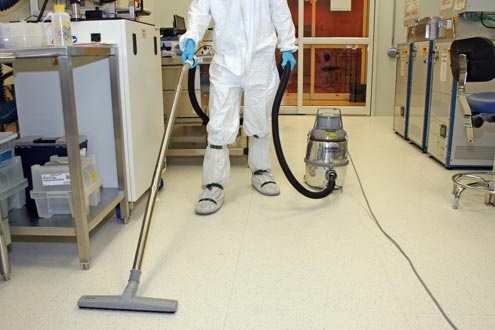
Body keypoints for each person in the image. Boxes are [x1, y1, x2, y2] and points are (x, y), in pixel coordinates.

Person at [180, 0, 297, 215]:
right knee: (219, 123)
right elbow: (199, 12)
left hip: (260, 60)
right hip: (226, 61)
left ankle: (261, 171)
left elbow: (280, 11)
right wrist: (190, 40)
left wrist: (288, 45)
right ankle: (212, 185)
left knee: (260, 117)